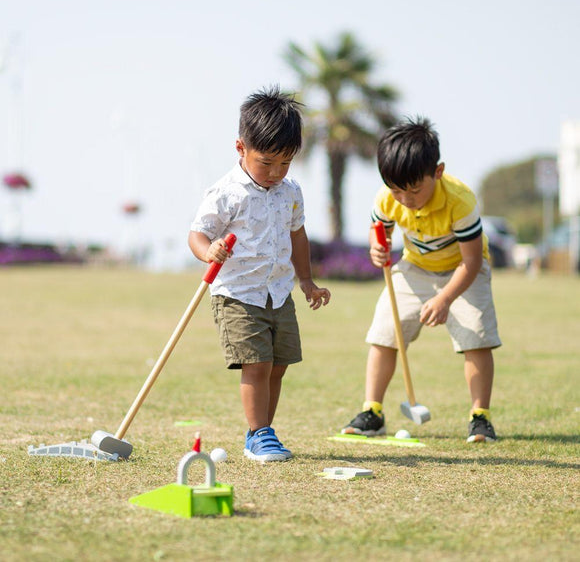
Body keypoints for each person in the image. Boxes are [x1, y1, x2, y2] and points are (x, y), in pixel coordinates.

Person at [189, 86, 331, 462]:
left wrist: (306, 281)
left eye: (285, 163)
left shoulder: (291, 191)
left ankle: (261, 432)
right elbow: (196, 233)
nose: (275, 173)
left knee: (279, 365)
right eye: (266, 163)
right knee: (257, 363)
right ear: (241, 149)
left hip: (278, 292)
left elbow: (297, 236)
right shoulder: (225, 192)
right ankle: (259, 433)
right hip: (237, 293)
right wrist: (209, 251)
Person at [342, 117, 501, 443]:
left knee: (477, 337)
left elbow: (471, 262)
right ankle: (372, 411)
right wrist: (377, 251)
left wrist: (444, 299)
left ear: (437, 172)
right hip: (414, 268)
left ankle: (480, 417)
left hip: (464, 269)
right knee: (385, 331)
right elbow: (380, 237)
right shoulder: (387, 197)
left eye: (415, 189)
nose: (406, 199)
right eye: (397, 190)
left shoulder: (461, 201)